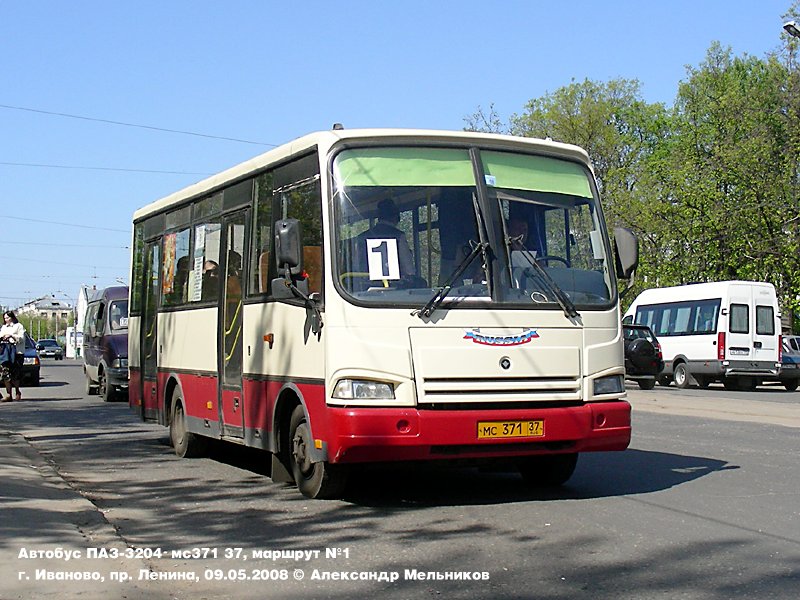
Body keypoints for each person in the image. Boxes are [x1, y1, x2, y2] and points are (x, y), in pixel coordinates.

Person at [358, 198, 416, 280]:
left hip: (366, 285)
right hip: (395, 286)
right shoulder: (399, 236)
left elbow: (357, 265)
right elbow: (408, 269)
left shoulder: (362, 237)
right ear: (396, 217)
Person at [0, 311, 26, 402]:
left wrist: (11, 336)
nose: (6, 320)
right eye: (5, 318)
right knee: (5, 373)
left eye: (7, 318)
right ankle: (8, 394)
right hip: (5, 353)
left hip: (17, 353)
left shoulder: (18, 326)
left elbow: (22, 338)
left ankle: (17, 391)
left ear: (12, 317)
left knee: (16, 374)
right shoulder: (3, 327)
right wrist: (3, 338)